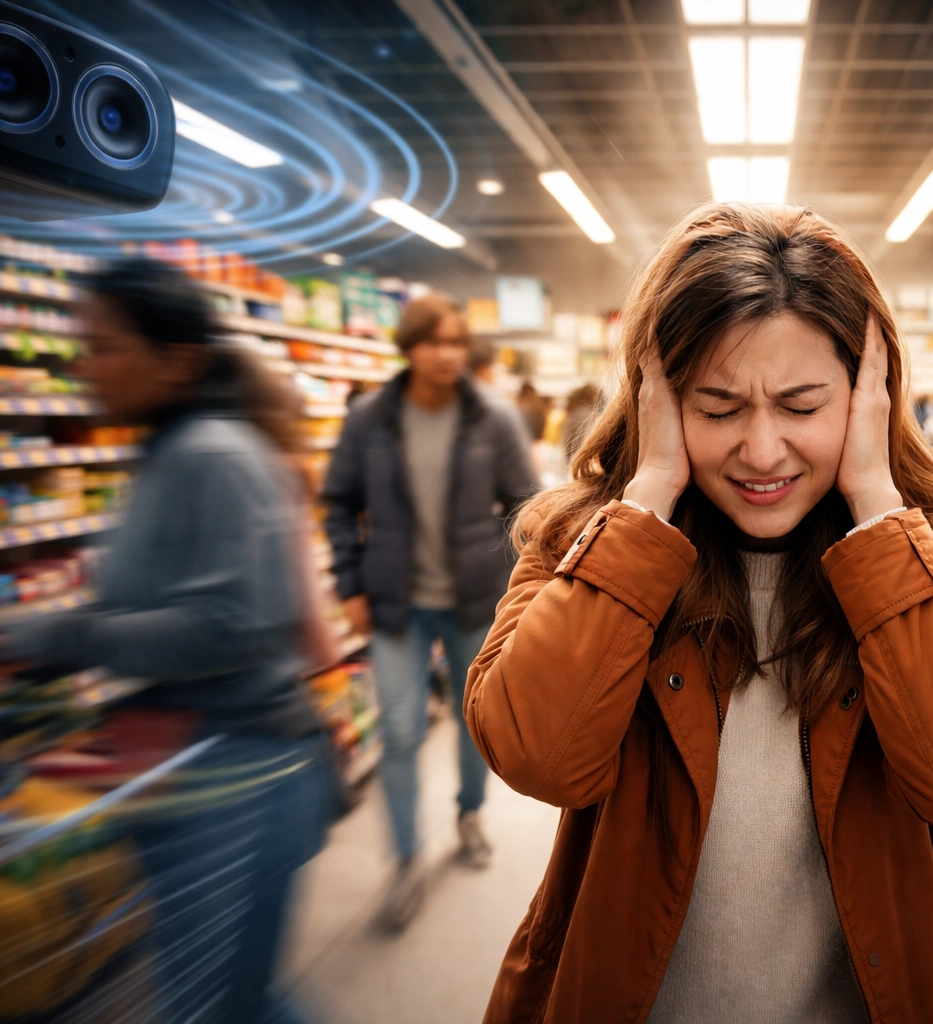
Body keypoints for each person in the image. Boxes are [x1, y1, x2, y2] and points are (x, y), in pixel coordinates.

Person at [463, 203, 933, 1022]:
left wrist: (878, 506)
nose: (763, 451)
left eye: (803, 406)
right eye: (718, 407)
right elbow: (537, 758)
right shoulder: (586, 541)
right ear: (655, 396)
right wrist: (646, 502)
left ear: (869, 392)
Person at [1, 257, 337, 1023]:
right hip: (194, 764)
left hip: (242, 772)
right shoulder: (166, 452)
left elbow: (237, 623)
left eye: (105, 346)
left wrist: (61, 635)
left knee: (218, 1004)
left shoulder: (211, 454)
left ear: (177, 358)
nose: (85, 367)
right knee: (232, 1000)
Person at [321, 292, 539, 929]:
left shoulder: (492, 419)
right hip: (396, 602)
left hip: (474, 599)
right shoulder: (369, 419)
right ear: (409, 347)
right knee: (402, 730)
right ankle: (406, 862)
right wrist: (350, 586)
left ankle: (469, 815)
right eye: (434, 341)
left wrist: (517, 586)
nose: (448, 354)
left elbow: (526, 503)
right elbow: (336, 503)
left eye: (456, 342)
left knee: (476, 719)